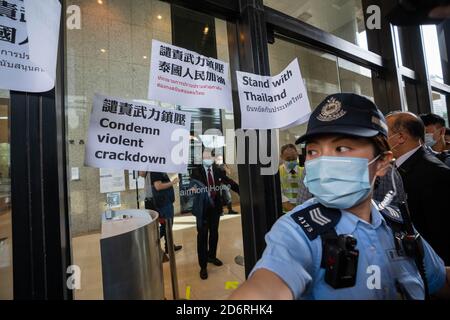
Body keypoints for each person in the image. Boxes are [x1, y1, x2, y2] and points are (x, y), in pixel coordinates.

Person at [230, 93, 449, 300]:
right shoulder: (298, 231)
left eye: (342, 148)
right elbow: (265, 287)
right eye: (314, 151)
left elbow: (438, 278)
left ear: (382, 162)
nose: (323, 162)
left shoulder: (398, 224)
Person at [386, 112, 450, 264]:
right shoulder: (396, 168)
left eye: (383, 133)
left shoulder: (436, 173)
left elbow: (442, 231)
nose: (379, 139)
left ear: (400, 137)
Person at [190, 148, 239, 280]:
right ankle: (203, 266)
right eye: (203, 157)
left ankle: (212, 256)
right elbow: (192, 186)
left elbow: (228, 181)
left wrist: (241, 191)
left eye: (208, 157)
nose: (206, 159)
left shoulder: (217, 170)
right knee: (202, 237)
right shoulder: (196, 171)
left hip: (215, 209)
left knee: (214, 233)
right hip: (202, 210)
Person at [143, 171, 182, 255]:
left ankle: (169, 246)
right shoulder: (155, 169)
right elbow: (158, 186)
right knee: (167, 225)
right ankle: (152, 242)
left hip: (163, 202)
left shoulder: (155, 170)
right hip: (163, 204)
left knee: (166, 225)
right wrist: (173, 182)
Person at [279, 144, 303, 212]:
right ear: (282, 157)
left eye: (294, 158)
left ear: (297, 155)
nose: (291, 161)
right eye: (288, 159)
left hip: (303, 210)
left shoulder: (304, 170)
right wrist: (295, 211)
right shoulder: (278, 172)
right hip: (285, 213)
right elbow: (280, 196)